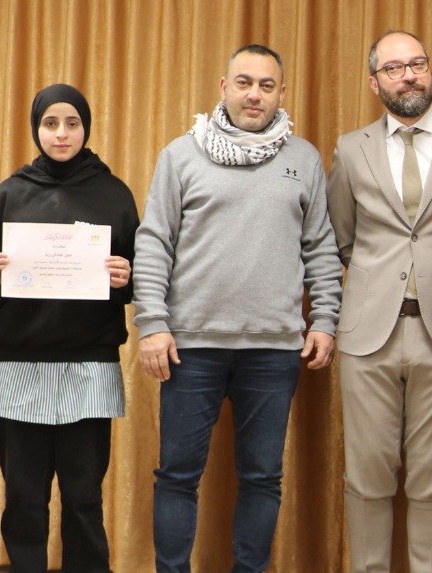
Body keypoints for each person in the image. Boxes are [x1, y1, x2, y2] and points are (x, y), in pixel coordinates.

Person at [134, 44, 341, 573]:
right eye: (244, 82)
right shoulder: (180, 155)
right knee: (177, 476)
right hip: (190, 347)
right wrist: (152, 324)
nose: (255, 94)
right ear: (224, 87)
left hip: (273, 350)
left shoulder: (304, 160)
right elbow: (154, 242)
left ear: (281, 94)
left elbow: (320, 247)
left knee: (262, 478)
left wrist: (324, 320)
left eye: (266, 85)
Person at [326, 30, 432, 573]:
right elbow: (343, 239)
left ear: (430, 69)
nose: (409, 76)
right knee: (366, 478)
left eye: (417, 63)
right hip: (368, 336)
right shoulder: (351, 148)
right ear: (375, 82)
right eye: (394, 69)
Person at [0, 84, 138, 573]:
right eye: (50, 123)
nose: (61, 134)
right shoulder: (10, 192)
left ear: (86, 128)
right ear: (36, 129)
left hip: (90, 364)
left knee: (84, 498)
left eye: (72, 124)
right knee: (24, 497)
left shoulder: (114, 193)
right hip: (20, 365)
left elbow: (140, 275)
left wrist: (126, 277)